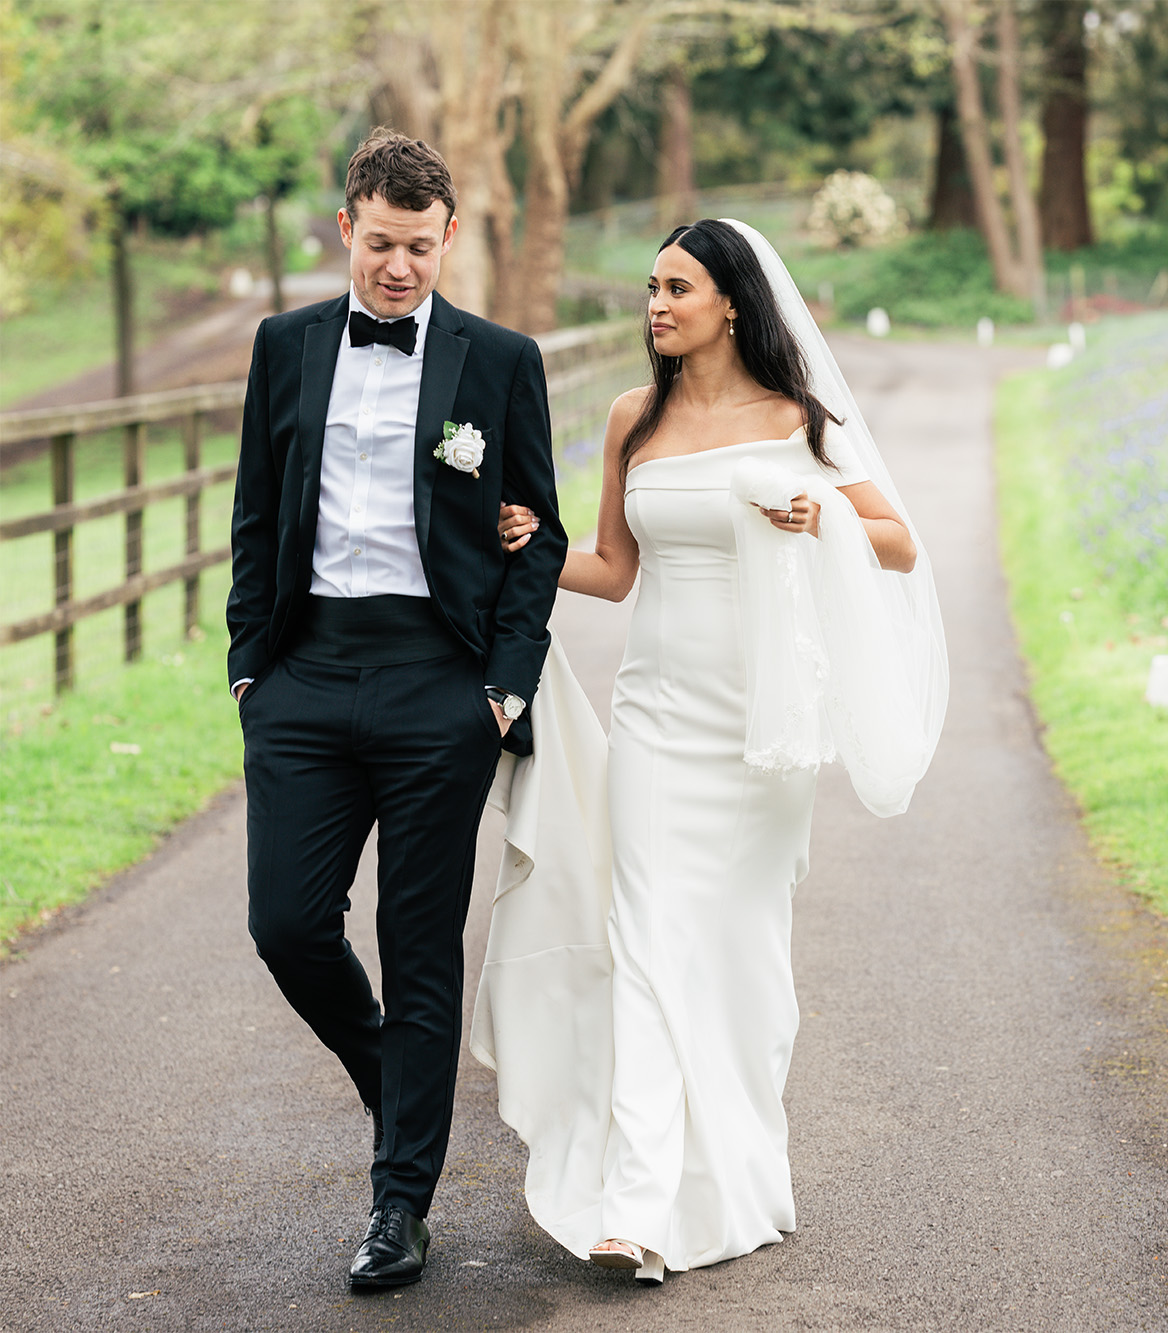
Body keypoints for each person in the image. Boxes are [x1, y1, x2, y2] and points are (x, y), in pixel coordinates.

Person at [487, 218, 946, 1284]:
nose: (655, 305)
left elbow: (897, 542)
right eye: (649, 287)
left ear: (730, 301)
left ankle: (736, 1171)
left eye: (677, 287)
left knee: (738, 960)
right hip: (654, 717)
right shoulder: (629, 419)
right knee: (645, 942)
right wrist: (526, 545)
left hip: (761, 727)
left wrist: (815, 509)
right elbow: (611, 567)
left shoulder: (797, 418)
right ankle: (637, 1207)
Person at [226, 128, 567, 1290]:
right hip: (306, 677)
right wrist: (246, 670)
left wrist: (504, 687)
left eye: (420, 249)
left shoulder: (499, 360)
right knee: (287, 924)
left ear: (449, 238)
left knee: (420, 948)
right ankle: (400, 1091)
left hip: (438, 685)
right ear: (344, 230)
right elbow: (256, 520)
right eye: (380, 245)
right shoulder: (284, 347)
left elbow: (540, 531)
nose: (399, 270)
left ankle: (398, 1207)